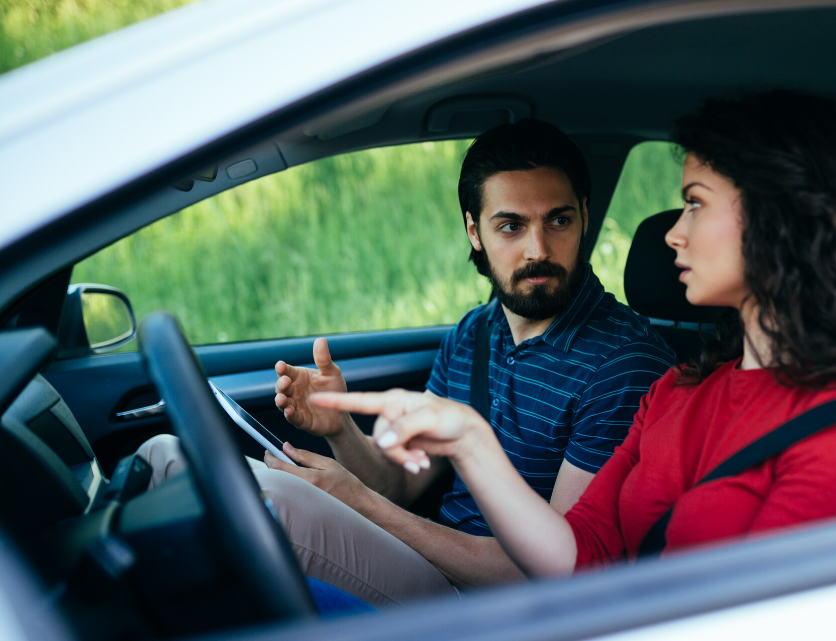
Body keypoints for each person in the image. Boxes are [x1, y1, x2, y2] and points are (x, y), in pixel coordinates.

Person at [305, 91, 836, 576]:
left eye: (695, 203)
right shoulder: (679, 390)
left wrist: (368, 501)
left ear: (782, 219)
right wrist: (468, 438)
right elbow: (578, 557)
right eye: (510, 225)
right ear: (474, 232)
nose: (672, 232)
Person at [187, 118, 674, 605]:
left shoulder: (624, 366)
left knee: (273, 509)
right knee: (178, 462)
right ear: (474, 231)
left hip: (499, 609)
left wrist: (357, 501)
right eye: (511, 226)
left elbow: (558, 573)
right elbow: (401, 483)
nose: (538, 249)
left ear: (584, 216)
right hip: (435, 568)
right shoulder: (472, 334)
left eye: (558, 221)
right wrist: (340, 429)